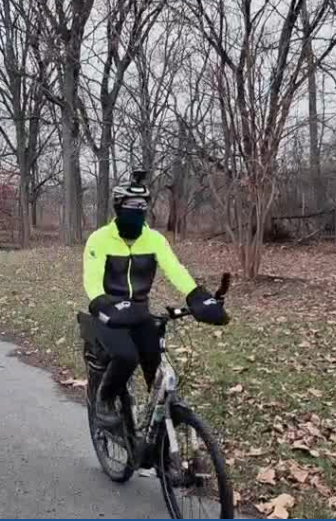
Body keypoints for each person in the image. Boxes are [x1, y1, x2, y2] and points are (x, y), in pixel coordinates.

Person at [83, 170, 228, 429]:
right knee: (127, 357)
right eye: (131, 205)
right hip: (109, 314)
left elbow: (175, 269)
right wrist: (101, 303)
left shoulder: (154, 240)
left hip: (139, 312)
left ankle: (158, 425)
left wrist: (196, 295)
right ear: (118, 207)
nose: (137, 211)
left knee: (155, 361)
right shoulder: (100, 239)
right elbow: (92, 280)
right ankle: (104, 399)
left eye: (142, 206)